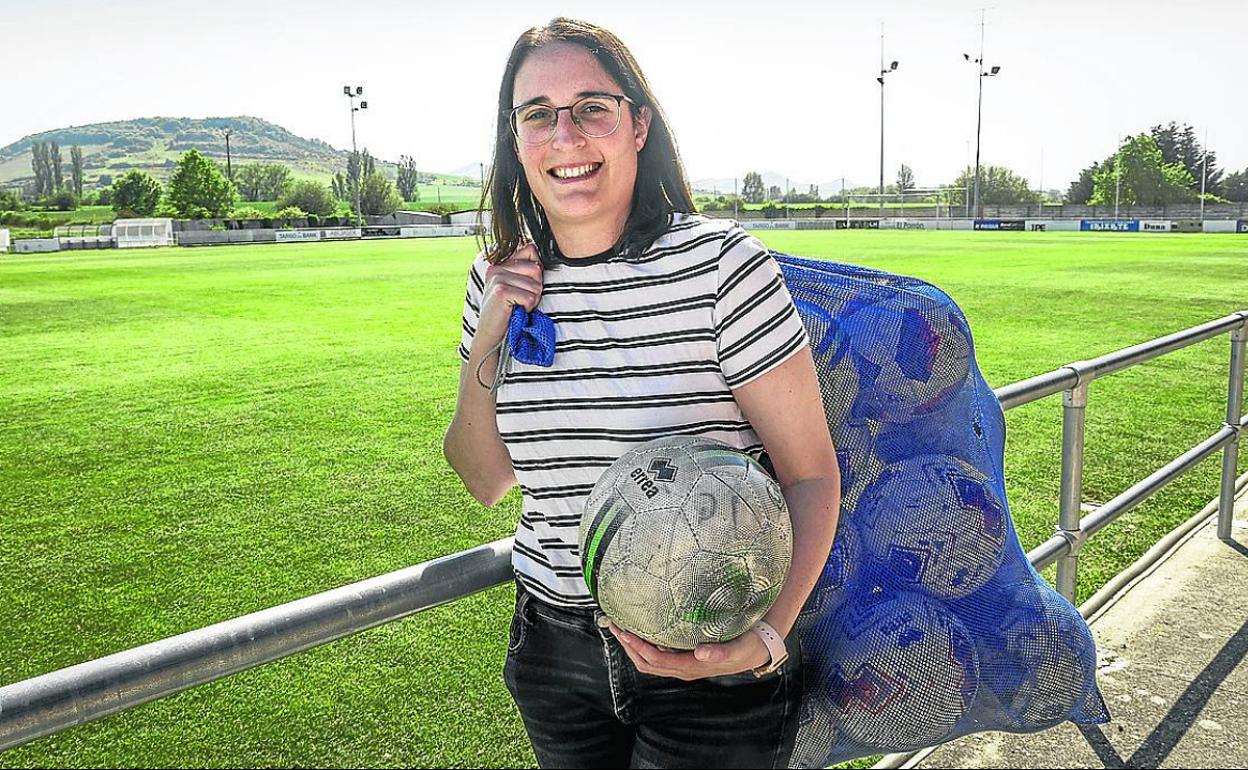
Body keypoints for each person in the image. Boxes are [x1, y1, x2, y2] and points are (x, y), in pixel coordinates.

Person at [443, 17, 840, 769]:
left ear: (637, 124)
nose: (566, 134)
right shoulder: (493, 279)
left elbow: (811, 472)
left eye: (593, 106)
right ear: (515, 137)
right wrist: (490, 333)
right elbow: (484, 478)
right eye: (538, 113)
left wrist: (764, 636)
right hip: (553, 649)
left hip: (709, 646)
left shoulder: (723, 268)